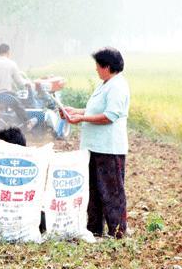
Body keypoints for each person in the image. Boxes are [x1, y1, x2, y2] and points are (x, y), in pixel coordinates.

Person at [60, 47, 130, 238]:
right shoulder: (105, 84)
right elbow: (94, 110)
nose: (96, 70)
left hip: (109, 148)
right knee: (93, 190)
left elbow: (109, 116)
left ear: (107, 66)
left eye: (98, 66)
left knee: (112, 191)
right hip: (93, 147)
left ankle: (118, 230)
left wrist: (81, 119)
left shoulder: (117, 86)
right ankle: (94, 229)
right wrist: (75, 111)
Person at [0, 127, 46, 233]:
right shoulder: (11, 165)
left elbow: (4, 192)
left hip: (39, 217)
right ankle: (8, 229)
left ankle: (23, 230)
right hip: (19, 215)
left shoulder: (27, 165)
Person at [0, 43, 37, 130]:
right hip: (5, 96)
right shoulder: (11, 64)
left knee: (11, 97)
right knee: (18, 105)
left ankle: (0, 113)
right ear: (8, 52)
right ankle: (27, 123)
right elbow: (19, 82)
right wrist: (27, 83)